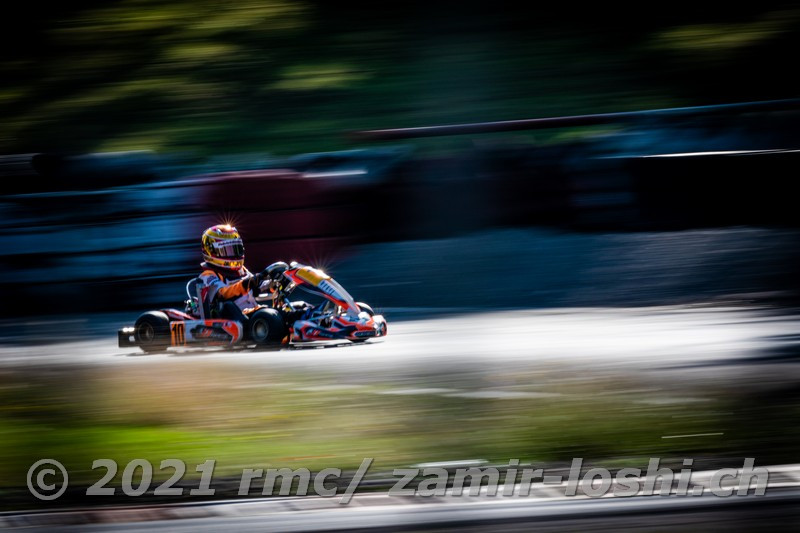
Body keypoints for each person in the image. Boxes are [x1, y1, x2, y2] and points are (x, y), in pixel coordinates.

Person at [198, 224, 265, 322]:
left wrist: (271, 281)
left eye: (235, 249)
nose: (233, 254)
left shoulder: (241, 270)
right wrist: (247, 283)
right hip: (230, 321)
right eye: (226, 250)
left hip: (251, 313)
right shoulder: (208, 275)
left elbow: (258, 284)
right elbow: (224, 294)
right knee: (228, 306)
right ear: (211, 251)